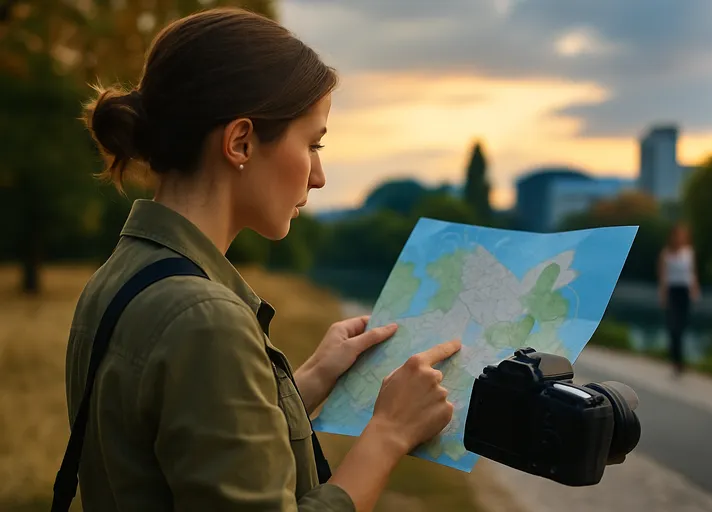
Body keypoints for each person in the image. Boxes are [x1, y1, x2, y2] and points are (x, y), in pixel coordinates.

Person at [64, 7, 460, 512]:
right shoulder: (204, 320)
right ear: (240, 141)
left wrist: (313, 376)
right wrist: (388, 434)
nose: (318, 177)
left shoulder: (123, 276)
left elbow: (190, 441)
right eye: (312, 144)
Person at [657, 222, 700, 376]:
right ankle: (676, 361)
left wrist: (695, 290)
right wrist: (663, 295)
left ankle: (680, 359)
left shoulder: (689, 252)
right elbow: (663, 276)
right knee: (673, 327)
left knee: (682, 326)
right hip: (672, 291)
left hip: (685, 291)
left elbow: (692, 272)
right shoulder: (666, 253)